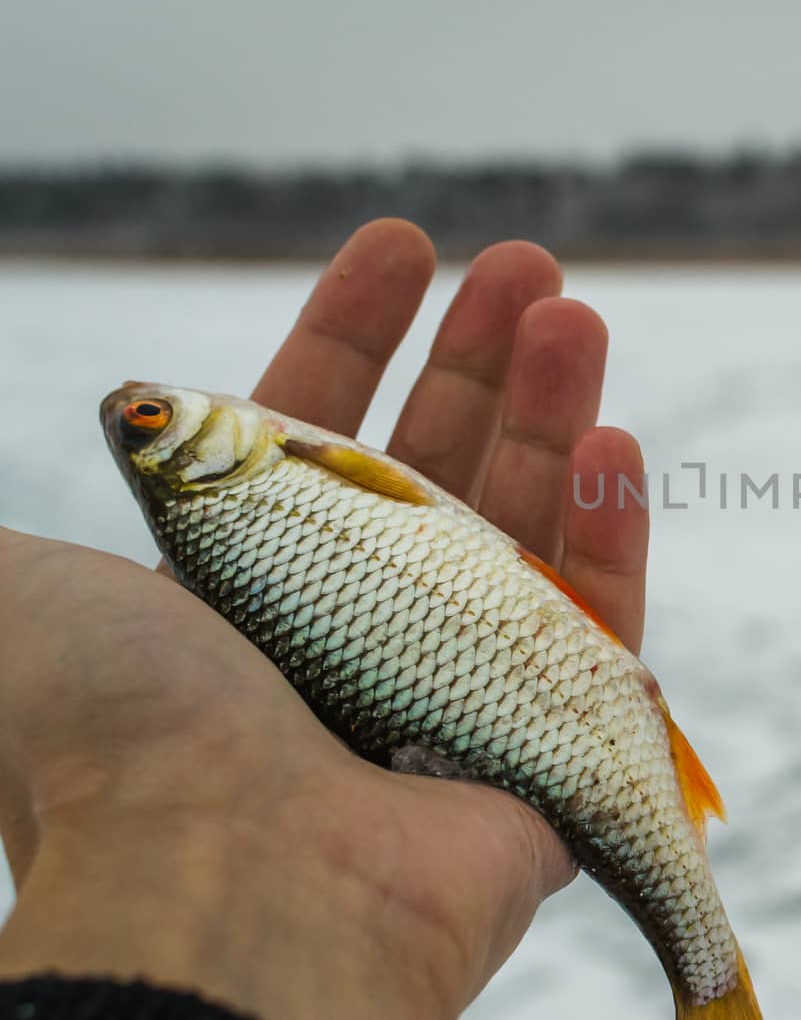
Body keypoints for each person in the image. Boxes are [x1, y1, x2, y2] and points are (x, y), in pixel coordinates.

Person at [0, 220, 650, 1019]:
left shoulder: (241, 483)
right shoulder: (240, 479)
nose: (147, 409)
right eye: (149, 422)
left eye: (144, 417)